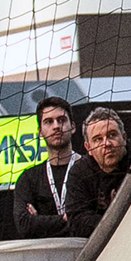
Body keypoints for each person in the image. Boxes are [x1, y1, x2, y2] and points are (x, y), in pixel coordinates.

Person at [13, 97, 81, 239]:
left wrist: (41, 221)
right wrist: (66, 219)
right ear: (40, 132)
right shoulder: (28, 178)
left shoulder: (89, 169)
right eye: (48, 122)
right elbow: (24, 226)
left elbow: (92, 222)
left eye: (61, 120)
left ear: (73, 126)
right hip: (44, 259)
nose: (56, 126)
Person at [64, 107, 131, 235]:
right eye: (98, 139)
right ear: (88, 148)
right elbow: (77, 222)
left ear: (124, 137)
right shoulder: (79, 174)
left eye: (112, 135)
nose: (107, 143)